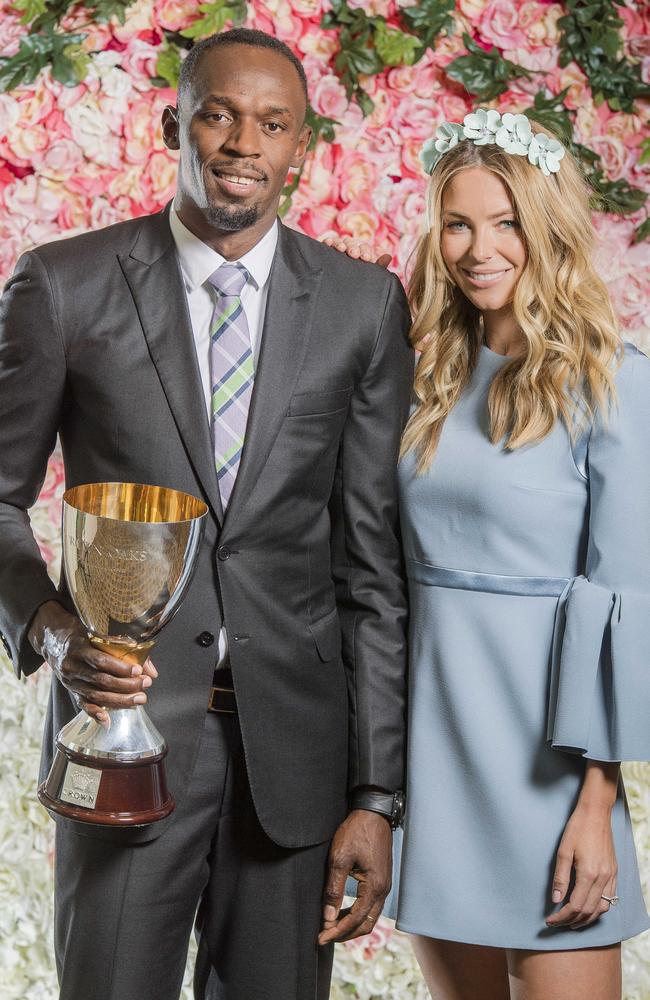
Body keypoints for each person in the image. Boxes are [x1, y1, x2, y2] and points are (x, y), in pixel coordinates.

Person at [0, 28, 413, 1000]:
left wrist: (376, 796)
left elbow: (370, 569)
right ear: (171, 123)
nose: (242, 143)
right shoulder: (64, 285)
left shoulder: (360, 307)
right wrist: (57, 635)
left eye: (272, 124)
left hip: (296, 765)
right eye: (218, 114)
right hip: (125, 736)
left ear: (301, 149)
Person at [328, 111, 650, 1000]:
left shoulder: (614, 382)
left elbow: (622, 596)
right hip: (435, 756)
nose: (478, 248)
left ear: (545, 227)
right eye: (458, 222)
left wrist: (599, 800)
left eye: (505, 221)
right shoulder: (422, 379)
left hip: (552, 770)